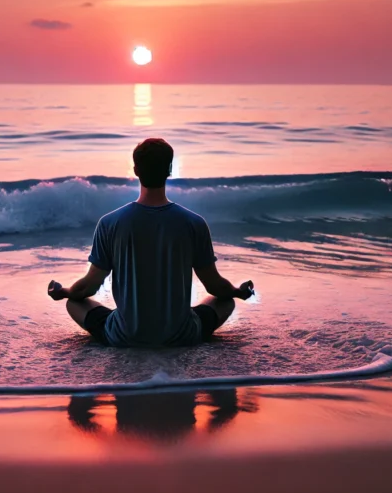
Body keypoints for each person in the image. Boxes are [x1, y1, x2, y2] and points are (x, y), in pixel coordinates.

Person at [47, 138, 254, 347]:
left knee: (75, 303)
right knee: (225, 302)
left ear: (136, 170)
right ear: (170, 170)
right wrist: (238, 291)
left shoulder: (109, 223)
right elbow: (215, 286)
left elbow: (87, 288)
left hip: (124, 336)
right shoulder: (194, 223)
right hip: (181, 335)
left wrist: (64, 292)